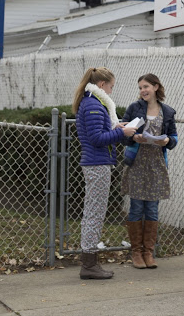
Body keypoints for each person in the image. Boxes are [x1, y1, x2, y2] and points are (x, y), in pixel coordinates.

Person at [73, 67, 137, 280]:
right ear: (102, 85)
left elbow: (99, 133)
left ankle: (90, 262)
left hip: (97, 163)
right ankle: (89, 265)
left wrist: (117, 127)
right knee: (94, 213)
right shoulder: (93, 104)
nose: (111, 91)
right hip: (97, 164)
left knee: (93, 211)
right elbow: (97, 139)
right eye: (111, 86)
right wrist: (121, 133)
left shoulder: (92, 101)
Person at [121, 73, 178, 269]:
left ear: (155, 87)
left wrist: (167, 141)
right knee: (136, 207)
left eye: (145, 86)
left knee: (152, 209)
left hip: (156, 164)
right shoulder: (134, 108)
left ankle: (149, 253)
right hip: (137, 162)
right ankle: (136, 253)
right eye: (140, 88)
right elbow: (123, 133)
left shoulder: (168, 112)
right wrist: (133, 137)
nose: (142, 90)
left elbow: (174, 138)